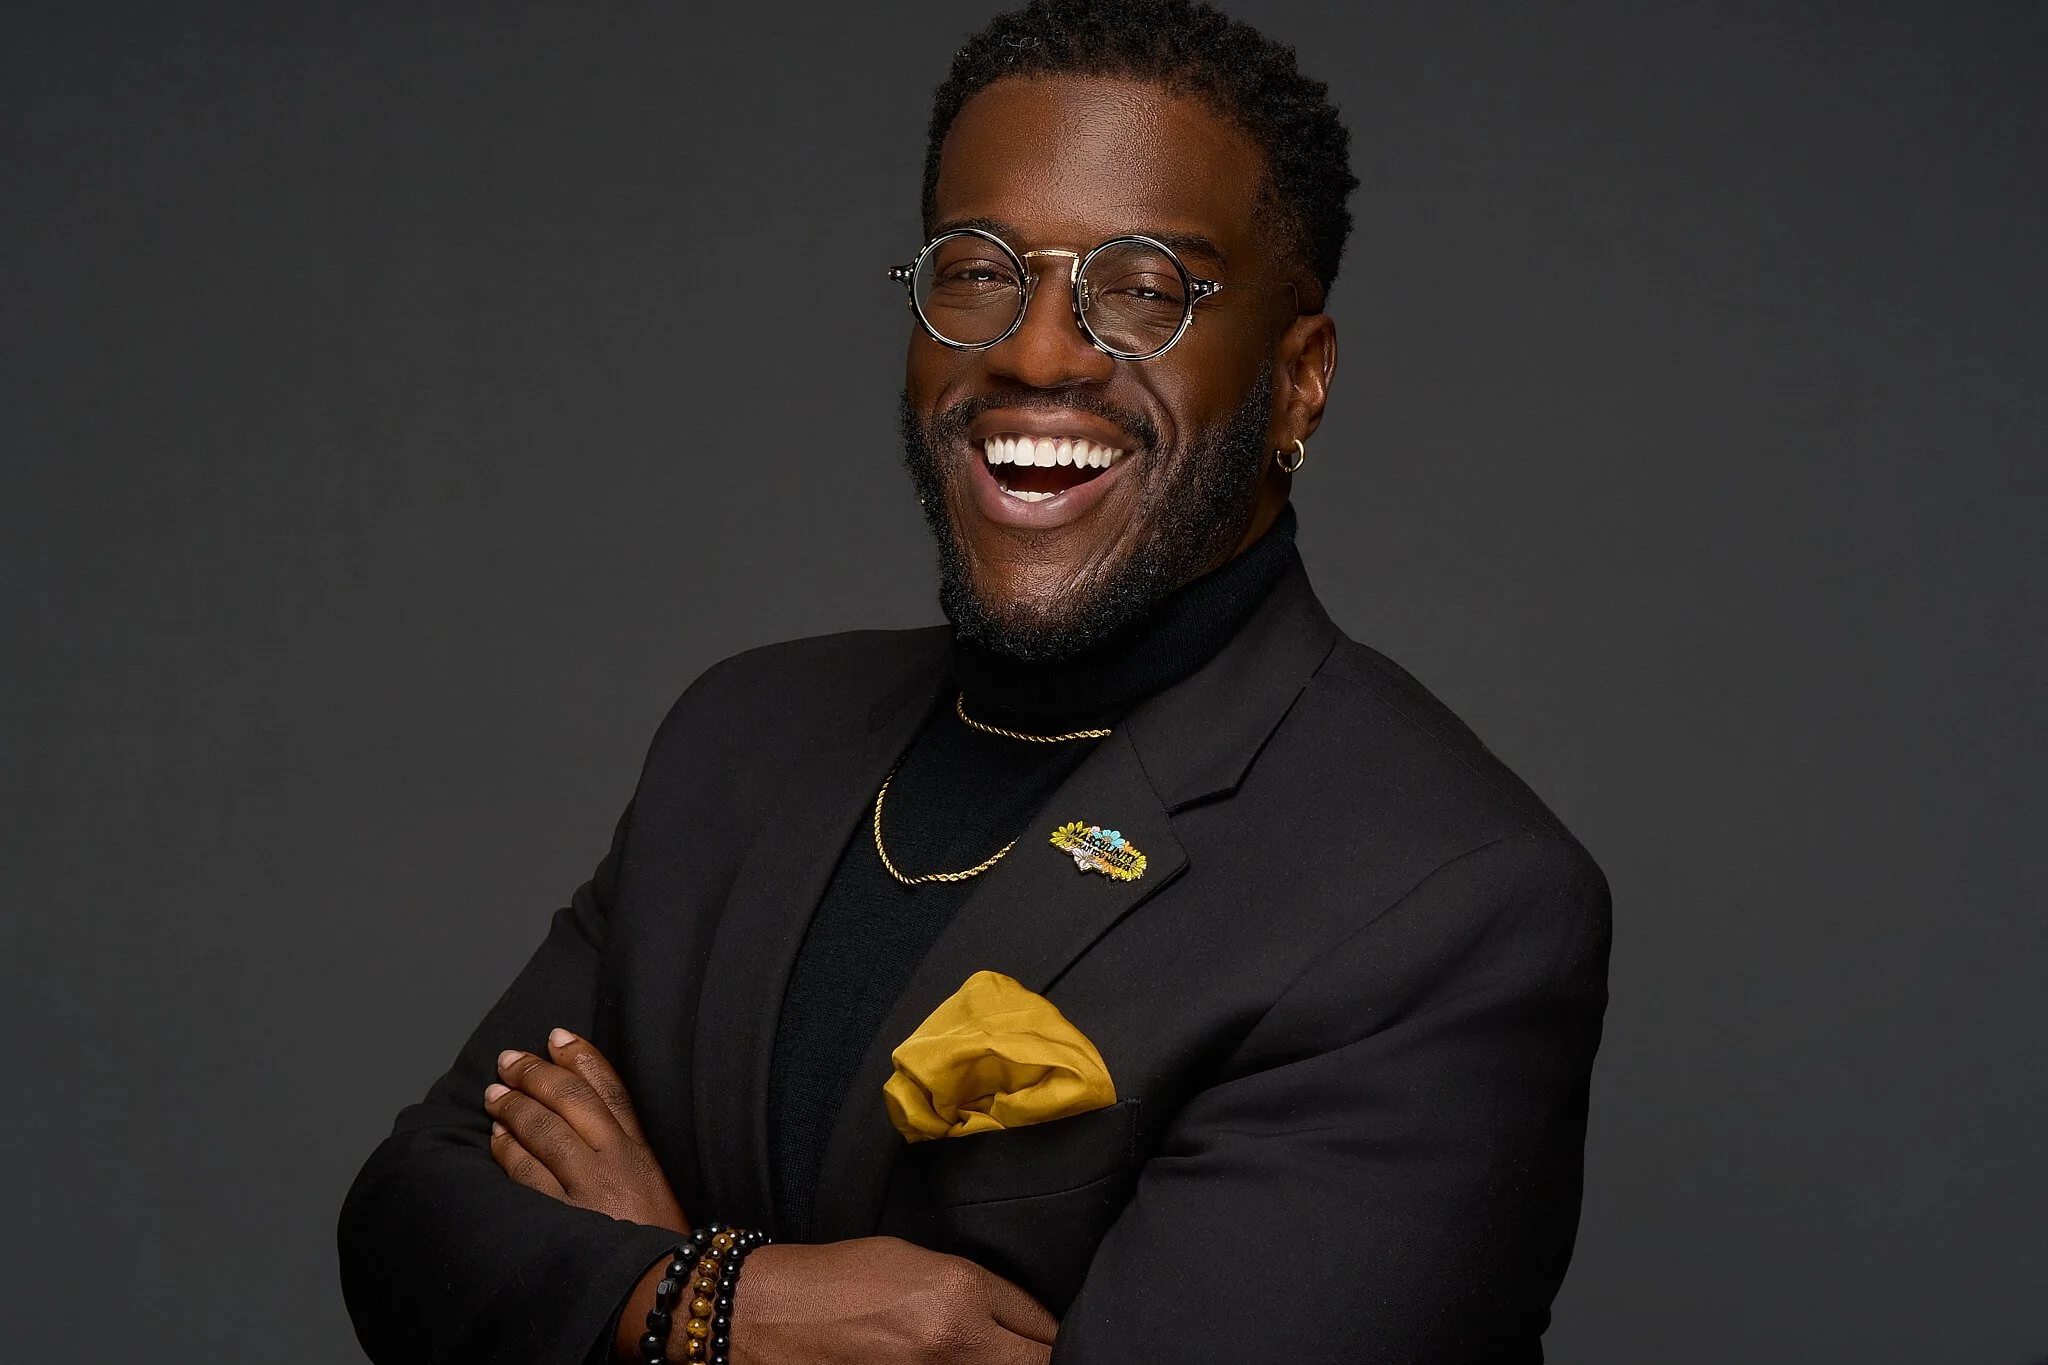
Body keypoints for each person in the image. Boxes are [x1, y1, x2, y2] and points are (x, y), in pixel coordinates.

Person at [337, 2, 1611, 1361]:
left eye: (1144, 289)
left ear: (1300, 379)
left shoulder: (1439, 897)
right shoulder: (738, 738)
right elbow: (412, 1224)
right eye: (978, 270)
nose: (1038, 352)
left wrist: (626, 1284)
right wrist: (708, 1306)